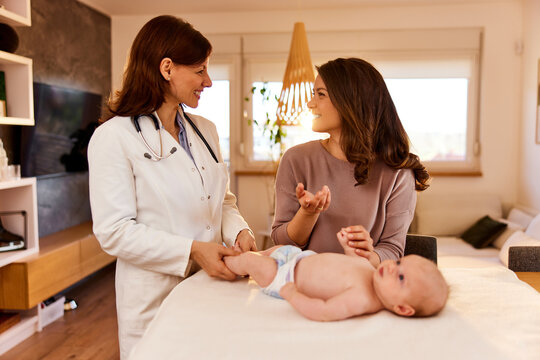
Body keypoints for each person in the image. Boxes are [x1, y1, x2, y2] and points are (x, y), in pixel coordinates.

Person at [87, 15, 256, 359]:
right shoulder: (114, 137)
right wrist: (193, 250)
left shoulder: (206, 131)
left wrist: (239, 232)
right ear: (167, 68)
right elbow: (114, 232)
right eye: (199, 70)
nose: (207, 81)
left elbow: (221, 200)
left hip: (209, 289)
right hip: (154, 300)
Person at [271, 57, 430, 268]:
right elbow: (281, 243)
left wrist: (367, 255)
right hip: (304, 284)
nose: (310, 103)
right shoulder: (296, 159)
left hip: (363, 285)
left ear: (351, 102)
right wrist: (307, 214)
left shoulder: (398, 172)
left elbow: (393, 249)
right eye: (313, 94)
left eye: (321, 94)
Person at [224, 230, 448, 321]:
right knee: (272, 250)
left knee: (251, 262)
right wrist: (347, 246)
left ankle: (229, 262)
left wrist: (293, 296)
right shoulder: (373, 272)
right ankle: (250, 257)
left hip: (284, 277)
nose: (391, 267)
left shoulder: (363, 299)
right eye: (399, 263)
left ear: (402, 308)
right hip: (298, 257)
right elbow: (352, 260)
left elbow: (323, 310)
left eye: (400, 278)